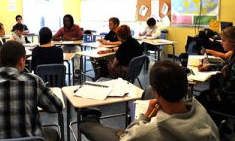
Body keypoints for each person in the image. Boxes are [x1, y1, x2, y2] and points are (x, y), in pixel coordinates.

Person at [80, 60, 220, 141]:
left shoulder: (147, 132)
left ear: (157, 93)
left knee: (87, 126)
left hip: (131, 135)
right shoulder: (203, 114)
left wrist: (145, 117)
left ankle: (90, 117)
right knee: (146, 92)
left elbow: (128, 136)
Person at [0, 41, 63, 140]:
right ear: (22, 61)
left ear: (0, 60)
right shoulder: (32, 80)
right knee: (53, 133)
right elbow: (57, 107)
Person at [197, 26, 235, 124]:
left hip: (231, 101)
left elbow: (231, 87)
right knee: (212, 83)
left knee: (202, 97)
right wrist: (209, 67)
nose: (221, 42)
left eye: (223, 40)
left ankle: (211, 127)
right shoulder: (233, 54)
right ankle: (218, 121)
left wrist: (217, 93)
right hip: (229, 96)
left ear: (232, 42)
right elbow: (225, 65)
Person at [52, 14, 83, 79]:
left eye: (69, 21)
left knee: (77, 54)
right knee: (59, 53)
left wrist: (73, 39)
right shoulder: (62, 29)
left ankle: (77, 71)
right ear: (64, 22)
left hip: (75, 45)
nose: (67, 23)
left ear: (72, 21)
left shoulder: (76, 27)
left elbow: (81, 36)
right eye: (65, 21)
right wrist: (62, 38)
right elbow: (53, 37)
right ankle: (60, 70)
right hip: (65, 46)